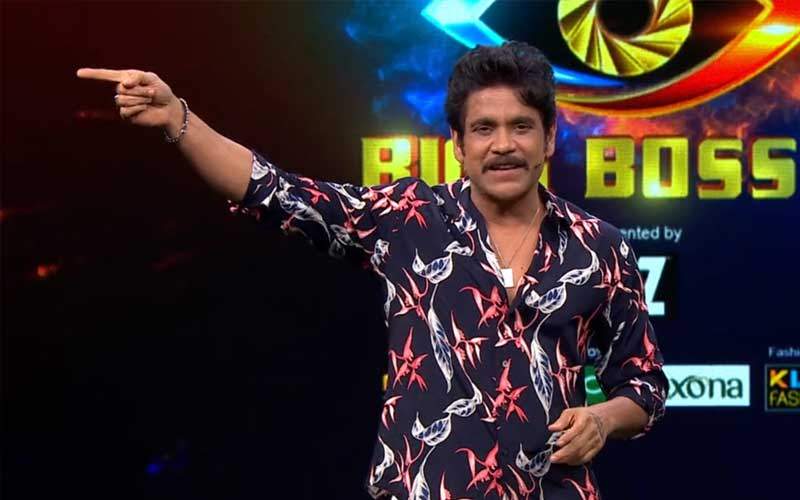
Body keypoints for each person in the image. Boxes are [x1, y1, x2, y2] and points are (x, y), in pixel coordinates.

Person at [77, 41, 668, 500]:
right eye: (484, 129)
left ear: (549, 138)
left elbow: (643, 386)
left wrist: (601, 418)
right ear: (458, 144)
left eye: (521, 127)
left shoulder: (599, 247)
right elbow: (276, 192)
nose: (503, 145)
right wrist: (178, 117)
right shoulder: (409, 219)